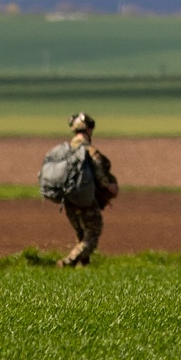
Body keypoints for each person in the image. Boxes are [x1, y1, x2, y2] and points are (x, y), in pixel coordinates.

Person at [57, 112, 119, 268]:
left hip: (68, 199)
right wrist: (109, 186)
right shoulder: (89, 150)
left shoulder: (66, 150)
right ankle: (68, 262)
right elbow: (99, 172)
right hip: (85, 199)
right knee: (92, 234)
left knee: (81, 235)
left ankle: (83, 266)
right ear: (89, 130)